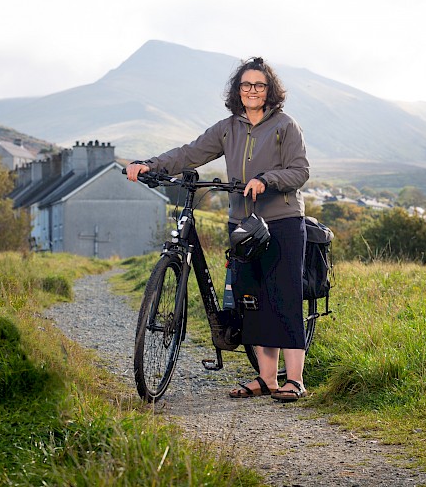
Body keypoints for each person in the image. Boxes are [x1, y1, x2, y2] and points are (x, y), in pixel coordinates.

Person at [125, 56, 310, 402]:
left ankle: (295, 379)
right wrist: (149, 164)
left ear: (270, 91)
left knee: (282, 297)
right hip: (242, 222)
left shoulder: (286, 126)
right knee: (251, 298)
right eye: (245, 85)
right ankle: (266, 379)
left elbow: (300, 172)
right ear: (237, 91)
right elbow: (190, 153)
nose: (251, 91)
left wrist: (266, 179)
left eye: (259, 85)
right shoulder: (228, 128)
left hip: (281, 221)